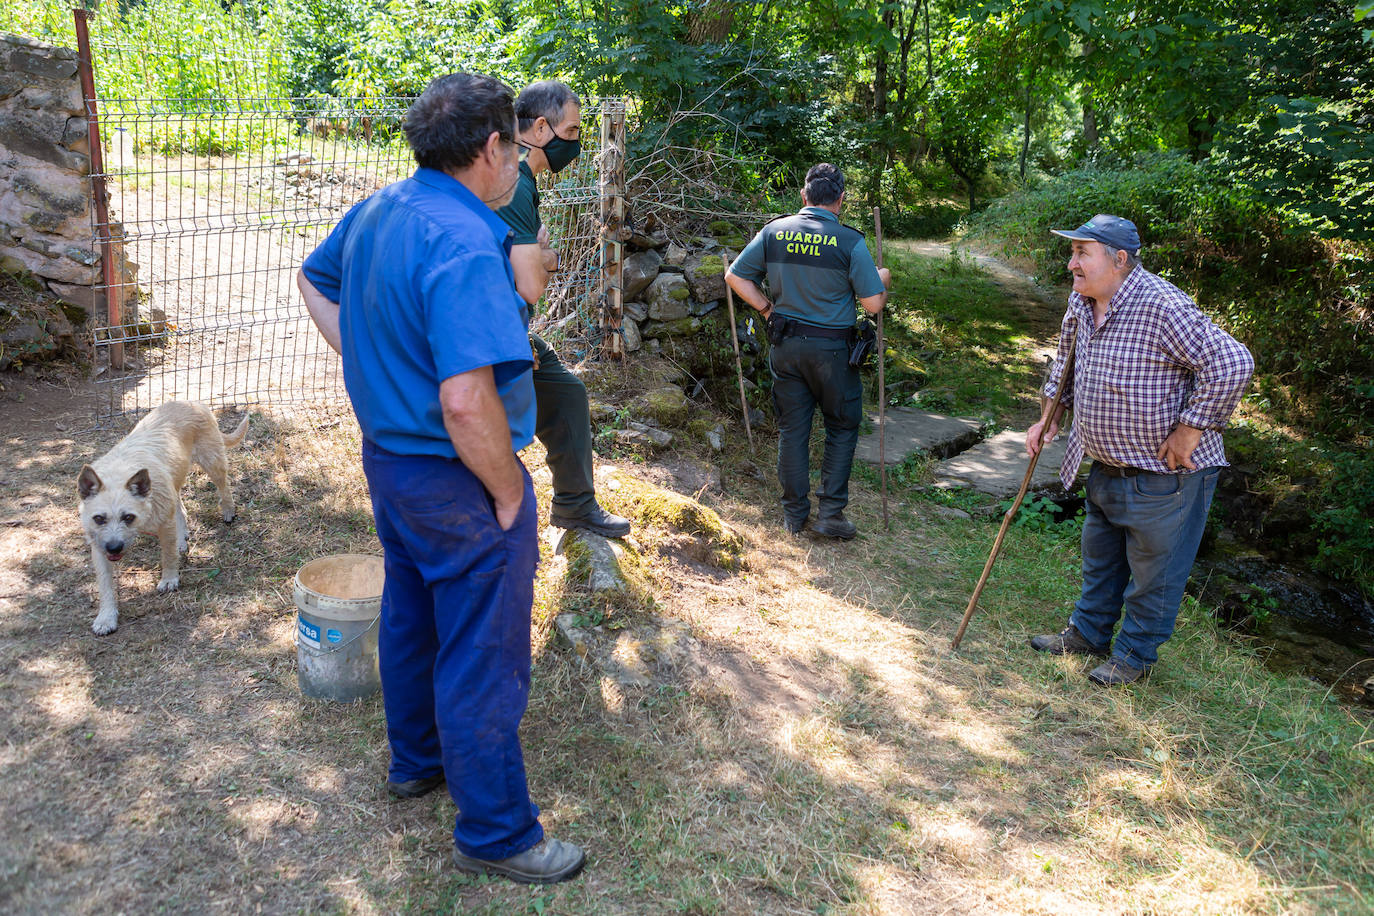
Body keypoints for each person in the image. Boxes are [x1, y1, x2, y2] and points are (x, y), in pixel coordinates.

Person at [296, 72, 585, 884]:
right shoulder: (464, 242)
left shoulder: (383, 207)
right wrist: (505, 492)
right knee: (484, 652)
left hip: (390, 466)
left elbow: (315, 277)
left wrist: (366, 358)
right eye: (516, 153)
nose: (523, 167)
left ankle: (415, 761)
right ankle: (497, 833)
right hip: (456, 478)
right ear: (493, 147)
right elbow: (465, 401)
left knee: (415, 614)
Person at [1026, 214, 1254, 686]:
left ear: (1119, 259)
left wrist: (1191, 429)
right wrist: (1049, 415)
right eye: (1073, 252)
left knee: (1155, 573)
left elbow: (1234, 362)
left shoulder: (1161, 305)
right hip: (1106, 465)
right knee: (1101, 559)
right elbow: (1065, 362)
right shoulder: (1083, 300)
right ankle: (1087, 635)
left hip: (1167, 475)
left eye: (1081, 252)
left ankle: (1133, 657)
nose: (1072, 263)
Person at [494, 80, 631, 539]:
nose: (575, 143)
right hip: (493, 331)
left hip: (506, 325)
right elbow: (528, 283)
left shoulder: (521, 178)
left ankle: (574, 505)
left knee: (567, 395)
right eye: (571, 132)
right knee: (530, 411)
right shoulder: (512, 180)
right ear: (538, 127)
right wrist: (546, 260)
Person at [725, 163, 891, 539]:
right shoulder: (849, 241)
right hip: (833, 351)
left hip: (785, 345)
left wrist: (768, 309)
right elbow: (873, 305)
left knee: (793, 429)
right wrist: (883, 280)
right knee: (842, 426)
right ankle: (830, 514)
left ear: (803, 196)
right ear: (841, 199)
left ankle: (794, 516)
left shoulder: (774, 231)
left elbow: (735, 276)